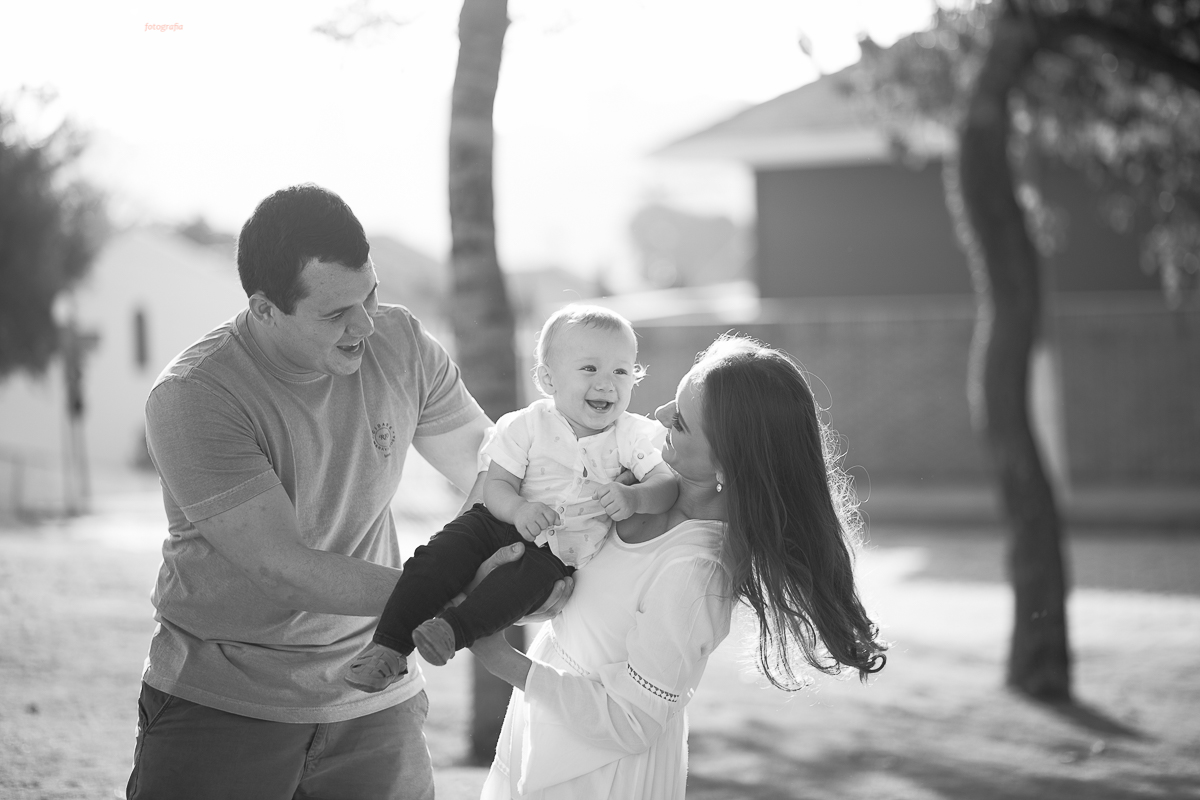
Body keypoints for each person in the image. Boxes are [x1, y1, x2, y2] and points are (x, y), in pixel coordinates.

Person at [127, 184, 566, 800]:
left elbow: (495, 468)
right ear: (263, 309)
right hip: (225, 703)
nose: (364, 325)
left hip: (376, 695)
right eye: (335, 314)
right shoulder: (196, 396)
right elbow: (286, 570)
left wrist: (514, 563)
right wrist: (453, 590)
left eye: (371, 296)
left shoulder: (402, 343)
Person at [469, 333, 888, 799]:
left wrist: (495, 654)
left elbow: (631, 720)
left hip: (600, 775)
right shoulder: (632, 482)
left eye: (682, 422)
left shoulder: (696, 572)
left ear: (728, 463)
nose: (660, 415)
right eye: (675, 400)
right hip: (544, 729)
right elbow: (580, 604)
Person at [345, 304, 679, 692]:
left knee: (518, 591)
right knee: (438, 557)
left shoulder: (631, 435)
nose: (607, 383)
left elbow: (666, 484)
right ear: (548, 379)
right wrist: (520, 509)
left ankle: (451, 632)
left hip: (555, 551)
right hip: (495, 522)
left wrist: (635, 497)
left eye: (621, 371)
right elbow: (496, 484)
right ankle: (388, 646)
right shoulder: (525, 424)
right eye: (590, 368)